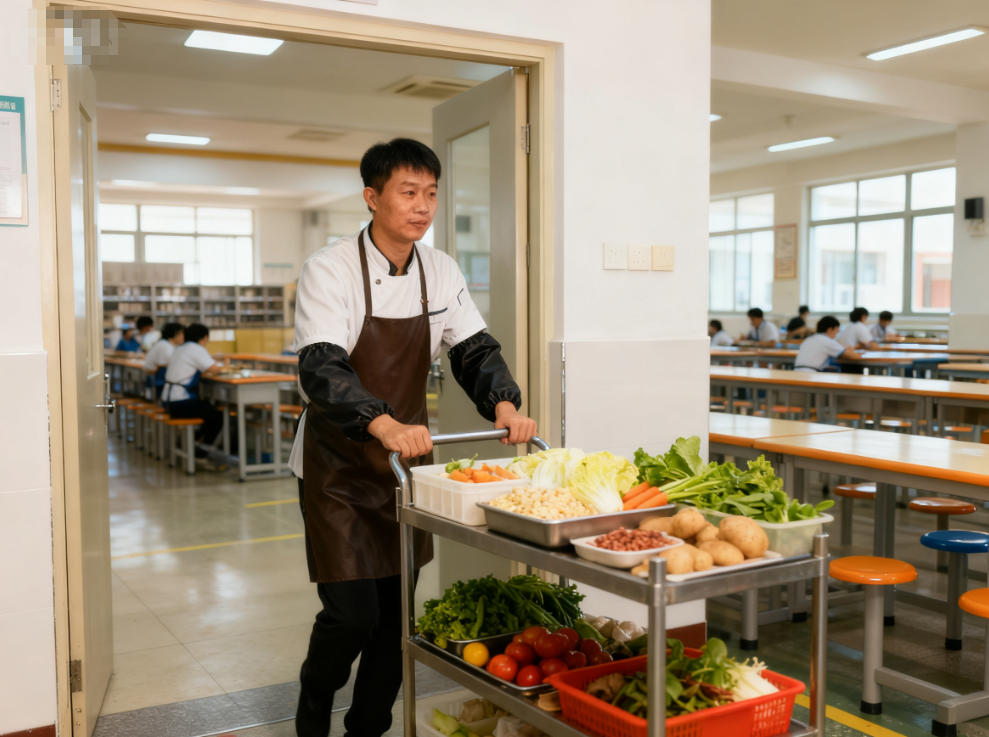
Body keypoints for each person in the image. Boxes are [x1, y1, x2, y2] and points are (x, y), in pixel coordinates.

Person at [288, 138, 537, 737]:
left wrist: (504, 402)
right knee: (350, 615)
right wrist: (383, 422)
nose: (422, 206)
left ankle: (368, 727)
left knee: (395, 616)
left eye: (430, 193)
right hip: (338, 467)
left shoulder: (440, 268)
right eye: (408, 192)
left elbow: (474, 350)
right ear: (372, 197)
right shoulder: (330, 268)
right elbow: (322, 366)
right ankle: (313, 707)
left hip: (404, 465)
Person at [162, 323, 228, 458]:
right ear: (204, 338)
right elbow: (214, 369)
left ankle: (192, 443)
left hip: (168, 400)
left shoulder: (180, 348)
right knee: (216, 416)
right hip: (179, 403)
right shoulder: (196, 349)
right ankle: (201, 450)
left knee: (208, 408)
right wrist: (226, 365)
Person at [793, 316, 861, 372]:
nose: (836, 335)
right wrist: (851, 350)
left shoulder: (808, 339)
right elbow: (853, 356)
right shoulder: (827, 341)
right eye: (836, 331)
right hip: (811, 374)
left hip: (796, 372)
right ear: (830, 329)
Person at [143, 322, 184, 398]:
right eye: (182, 334)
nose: (183, 337)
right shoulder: (166, 347)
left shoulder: (164, 344)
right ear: (175, 335)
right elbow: (173, 365)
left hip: (155, 380)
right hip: (157, 383)